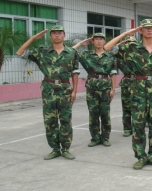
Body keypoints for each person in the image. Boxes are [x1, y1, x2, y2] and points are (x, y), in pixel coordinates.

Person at [104, 19, 152, 170]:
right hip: (138, 91)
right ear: (140, 31)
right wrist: (127, 33)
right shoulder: (131, 48)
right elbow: (107, 47)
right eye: (145, 28)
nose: (149, 30)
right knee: (138, 125)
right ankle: (141, 157)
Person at [16, 25, 80, 160]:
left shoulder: (72, 52)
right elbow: (20, 52)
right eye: (54, 33)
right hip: (48, 89)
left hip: (65, 89)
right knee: (50, 120)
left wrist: (74, 90)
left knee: (65, 120)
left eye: (60, 33)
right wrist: (33, 38)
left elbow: (75, 72)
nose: (57, 35)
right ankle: (55, 149)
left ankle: (66, 149)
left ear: (64, 35)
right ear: (50, 36)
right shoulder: (42, 51)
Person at [72, 33, 117, 147]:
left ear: (104, 41)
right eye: (96, 39)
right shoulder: (86, 55)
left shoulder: (110, 56)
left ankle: (105, 137)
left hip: (105, 87)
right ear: (92, 42)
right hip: (91, 86)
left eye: (101, 39)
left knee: (105, 113)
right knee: (93, 114)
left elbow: (113, 73)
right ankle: (95, 138)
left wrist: (113, 89)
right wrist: (81, 44)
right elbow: (70, 53)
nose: (99, 41)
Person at [114, 35, 137, 137]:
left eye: (132, 44)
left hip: (139, 82)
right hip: (127, 82)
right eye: (128, 43)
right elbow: (109, 49)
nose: (130, 46)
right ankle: (127, 128)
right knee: (126, 107)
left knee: (140, 107)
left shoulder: (139, 54)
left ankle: (139, 126)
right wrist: (120, 44)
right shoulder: (120, 55)